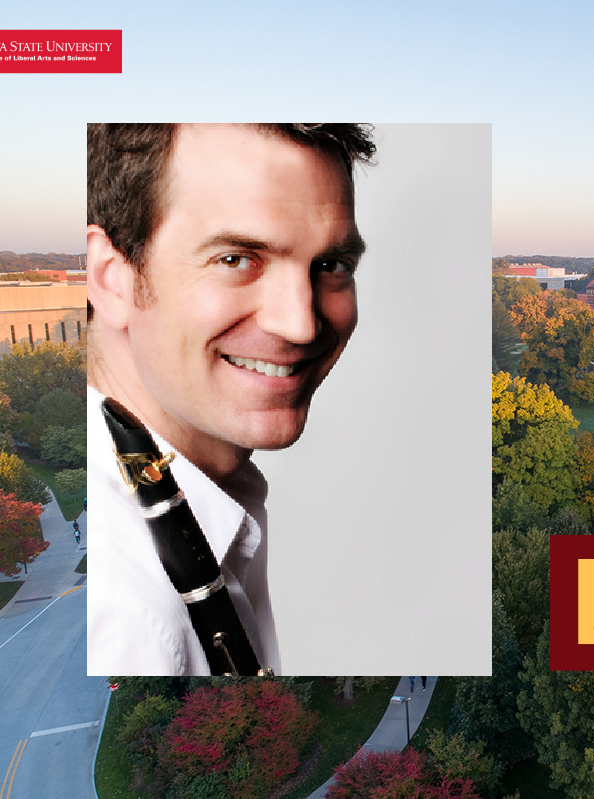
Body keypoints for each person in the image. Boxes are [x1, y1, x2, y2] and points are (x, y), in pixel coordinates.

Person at [86, 124, 376, 676]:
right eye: (237, 259)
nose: (300, 324)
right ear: (114, 278)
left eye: (331, 265)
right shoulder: (137, 624)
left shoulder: (209, 490)